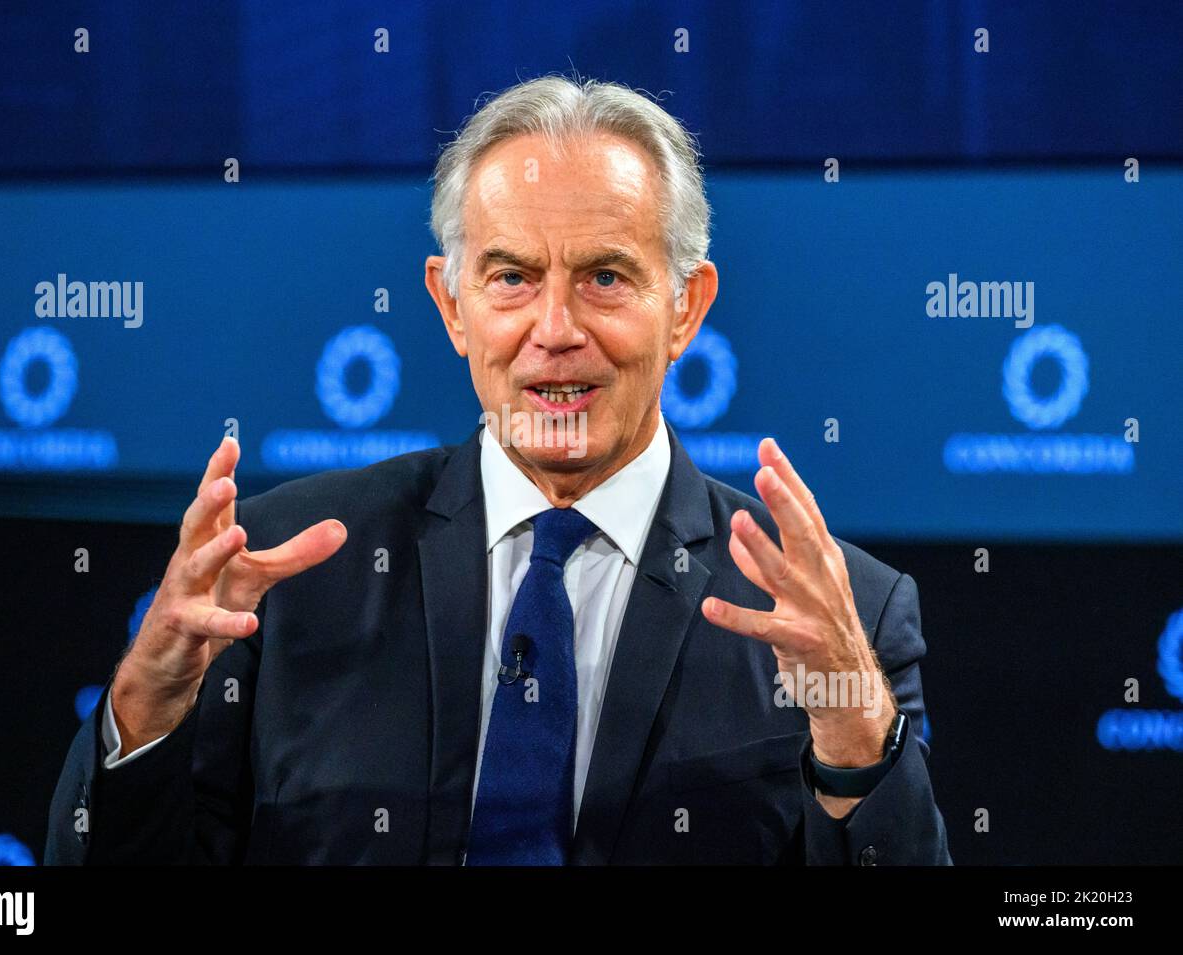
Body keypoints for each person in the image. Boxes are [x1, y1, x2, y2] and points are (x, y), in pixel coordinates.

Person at [46, 76, 950, 865]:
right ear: (452, 304)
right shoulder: (284, 572)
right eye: (512, 277)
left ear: (686, 307)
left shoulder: (839, 618)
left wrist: (854, 726)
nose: (554, 328)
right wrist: (147, 704)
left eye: (605, 277)